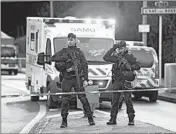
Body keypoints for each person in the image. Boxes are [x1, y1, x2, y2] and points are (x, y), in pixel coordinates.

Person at [51, 33, 95, 128]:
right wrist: (65, 58)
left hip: (78, 78)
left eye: (72, 39)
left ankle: (90, 118)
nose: (70, 41)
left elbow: (85, 66)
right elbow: (53, 58)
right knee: (65, 100)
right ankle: (64, 121)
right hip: (67, 79)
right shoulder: (64, 51)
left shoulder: (79, 53)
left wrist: (86, 79)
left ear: (75, 40)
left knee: (83, 98)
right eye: (69, 39)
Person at [103, 41, 140, 126]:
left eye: (122, 48)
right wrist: (113, 48)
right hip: (117, 81)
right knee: (114, 101)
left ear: (125, 48)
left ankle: (131, 119)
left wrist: (129, 67)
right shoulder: (116, 57)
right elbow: (105, 57)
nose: (120, 50)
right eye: (119, 48)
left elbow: (138, 66)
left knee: (128, 101)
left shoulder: (129, 57)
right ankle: (113, 119)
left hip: (126, 81)